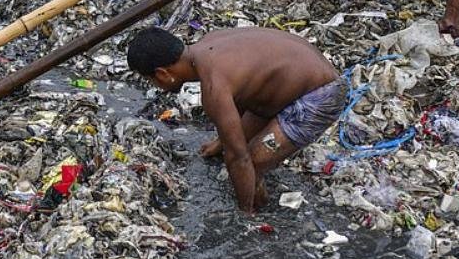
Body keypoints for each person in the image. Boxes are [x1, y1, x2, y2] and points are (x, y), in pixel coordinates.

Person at [126, 26, 343, 213]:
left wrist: (242, 215)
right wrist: (222, 142)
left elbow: (238, 159)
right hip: (296, 81)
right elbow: (242, 92)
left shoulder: (213, 86)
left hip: (320, 95)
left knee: (251, 163)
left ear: (163, 73)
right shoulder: (209, 42)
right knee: (237, 147)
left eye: (151, 80)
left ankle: (256, 210)